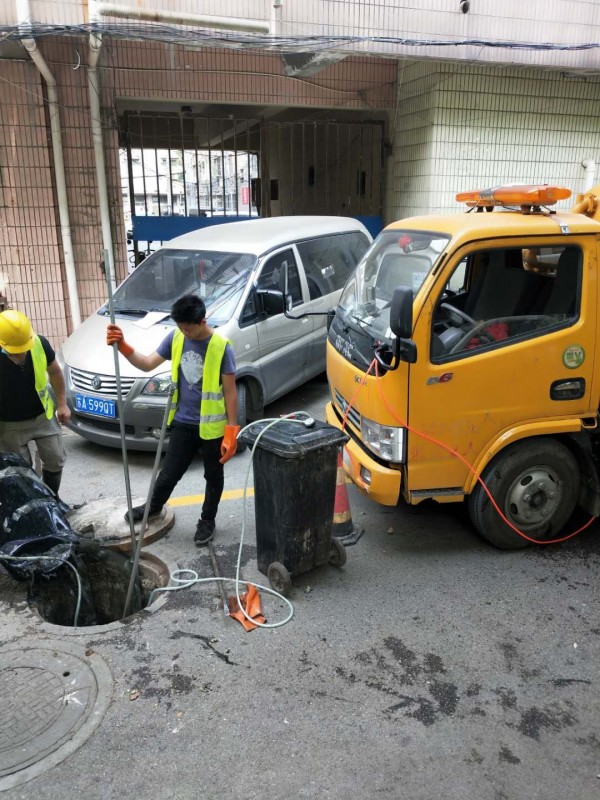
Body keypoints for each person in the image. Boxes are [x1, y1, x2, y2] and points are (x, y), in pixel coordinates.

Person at [106, 293, 239, 546]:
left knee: (213, 476)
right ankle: (154, 507)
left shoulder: (222, 346)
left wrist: (232, 431)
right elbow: (146, 364)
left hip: (212, 427)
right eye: (179, 327)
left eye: (187, 327)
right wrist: (123, 346)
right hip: (183, 421)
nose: (183, 332)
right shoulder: (176, 337)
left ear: (202, 321)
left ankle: (207, 520)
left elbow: (231, 392)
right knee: (169, 473)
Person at [0, 309, 70, 495]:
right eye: (15, 352)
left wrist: (62, 404)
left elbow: (55, 372)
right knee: (20, 471)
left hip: (42, 416)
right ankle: (32, 505)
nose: (20, 356)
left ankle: (52, 498)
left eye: (23, 349)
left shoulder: (39, 343)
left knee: (55, 460)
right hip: (8, 424)